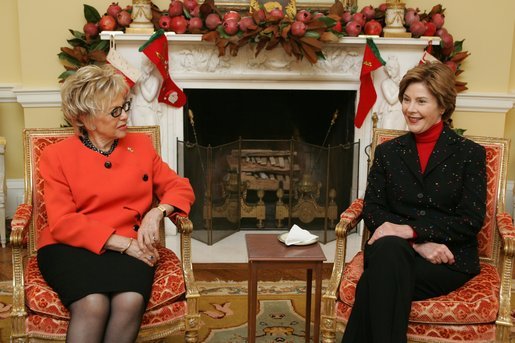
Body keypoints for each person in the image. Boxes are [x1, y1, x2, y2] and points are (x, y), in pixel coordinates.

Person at [37, 64, 195, 343]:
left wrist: (156, 213)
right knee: (92, 304)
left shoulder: (141, 146)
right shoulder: (56, 156)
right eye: (114, 111)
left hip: (131, 244)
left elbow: (179, 186)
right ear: (86, 119)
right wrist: (124, 245)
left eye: (125, 106)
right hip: (72, 246)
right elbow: (62, 221)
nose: (125, 116)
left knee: (130, 301)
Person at [342, 62, 486, 343]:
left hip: (447, 260)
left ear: (442, 106)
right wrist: (418, 243)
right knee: (390, 254)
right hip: (397, 251)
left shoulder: (470, 155)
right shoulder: (388, 153)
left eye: (421, 101)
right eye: (406, 99)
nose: (410, 109)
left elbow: (469, 221)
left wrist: (408, 231)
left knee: (377, 280)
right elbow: (372, 210)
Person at [378, 56, 407, 130]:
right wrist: (401, 86)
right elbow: (391, 101)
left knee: (400, 137)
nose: (389, 73)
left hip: (401, 113)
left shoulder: (403, 82)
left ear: (397, 69)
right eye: (388, 71)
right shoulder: (385, 83)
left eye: (391, 70)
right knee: (387, 136)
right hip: (390, 112)